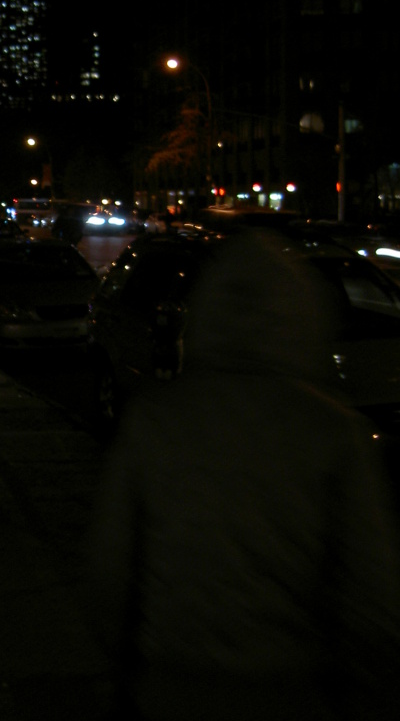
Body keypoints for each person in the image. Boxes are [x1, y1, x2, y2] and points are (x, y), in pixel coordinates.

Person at [89, 227, 400, 721]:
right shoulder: (335, 434)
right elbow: (371, 592)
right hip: (292, 691)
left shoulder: (155, 421)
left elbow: (111, 571)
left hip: (173, 687)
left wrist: (125, 669)